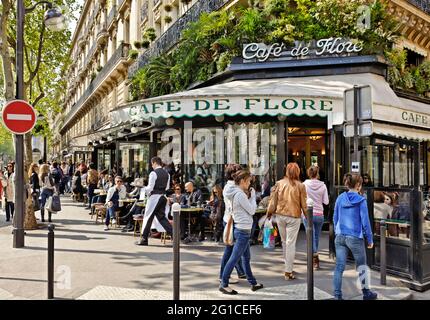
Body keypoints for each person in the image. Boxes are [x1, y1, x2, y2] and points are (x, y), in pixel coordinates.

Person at [333, 173, 377, 300]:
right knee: (362, 266)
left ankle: (337, 296)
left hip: (340, 236)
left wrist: (337, 232)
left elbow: (335, 217)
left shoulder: (340, 198)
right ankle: (366, 293)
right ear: (358, 185)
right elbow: (365, 222)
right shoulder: (361, 200)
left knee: (339, 267)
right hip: (355, 238)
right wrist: (369, 239)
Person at [219, 170, 263, 295]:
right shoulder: (239, 195)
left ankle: (253, 283)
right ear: (243, 181)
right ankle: (224, 284)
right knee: (234, 258)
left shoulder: (236, 193)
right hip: (242, 231)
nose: (250, 184)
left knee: (246, 258)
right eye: (249, 181)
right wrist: (253, 196)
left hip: (241, 229)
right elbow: (252, 210)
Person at [267, 162, 307, 280]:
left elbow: (273, 200)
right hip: (294, 216)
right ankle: (288, 271)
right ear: (297, 172)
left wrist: (269, 212)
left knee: (285, 242)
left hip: (280, 215)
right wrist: (307, 217)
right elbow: (304, 204)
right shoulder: (300, 186)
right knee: (290, 243)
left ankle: (287, 266)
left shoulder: (279, 183)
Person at [135, 157, 173, 246]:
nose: (152, 166)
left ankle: (144, 239)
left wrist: (142, 188)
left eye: (152, 164)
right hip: (163, 197)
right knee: (161, 218)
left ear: (155, 163)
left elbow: (150, 188)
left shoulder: (153, 173)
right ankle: (174, 235)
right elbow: (167, 188)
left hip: (154, 198)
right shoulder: (167, 174)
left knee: (148, 217)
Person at [220, 164, 246, 284]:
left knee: (236, 249)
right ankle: (223, 275)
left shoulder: (228, 187)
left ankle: (240, 272)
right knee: (231, 249)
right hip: (233, 221)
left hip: (229, 219)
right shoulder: (234, 188)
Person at [303, 165, 329, 270]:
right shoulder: (323, 186)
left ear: (309, 174)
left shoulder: (304, 185)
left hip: (307, 214)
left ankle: (314, 257)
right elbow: (326, 201)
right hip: (319, 214)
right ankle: (314, 256)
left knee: (311, 237)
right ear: (317, 174)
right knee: (316, 237)